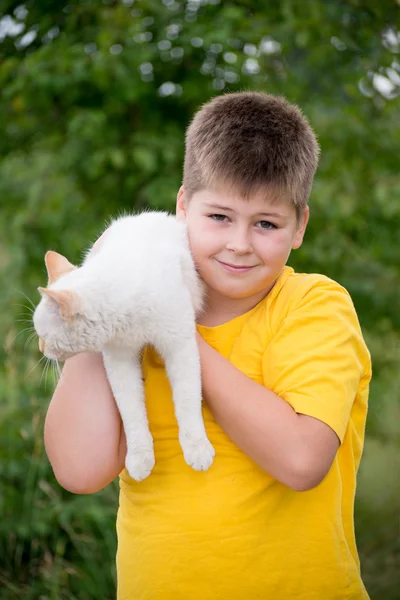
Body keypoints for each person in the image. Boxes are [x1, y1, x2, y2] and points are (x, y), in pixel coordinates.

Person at [44, 92, 371, 599]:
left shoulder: (314, 305)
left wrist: (174, 328)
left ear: (300, 226)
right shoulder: (125, 324)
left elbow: (302, 461)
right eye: (219, 217)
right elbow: (78, 470)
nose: (240, 243)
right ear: (181, 208)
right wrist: (99, 295)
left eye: (266, 223)